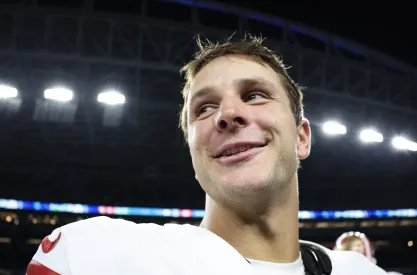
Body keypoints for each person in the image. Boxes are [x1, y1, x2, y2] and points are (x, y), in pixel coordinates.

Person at [27, 34, 387, 275]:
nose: (227, 114)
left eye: (254, 95)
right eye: (204, 108)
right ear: (194, 151)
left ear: (302, 137)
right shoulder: (100, 258)